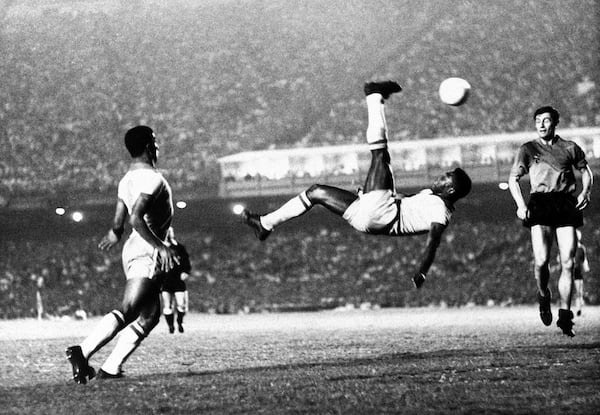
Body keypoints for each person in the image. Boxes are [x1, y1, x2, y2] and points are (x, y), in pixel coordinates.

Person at [241, 81, 472, 289]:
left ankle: (374, 96)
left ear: (450, 190)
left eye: (446, 177)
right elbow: (406, 204)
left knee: (381, 155)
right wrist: (368, 195)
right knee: (315, 192)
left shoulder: (441, 211)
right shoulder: (430, 198)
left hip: (382, 213)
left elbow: (433, 243)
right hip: (369, 217)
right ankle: (265, 223)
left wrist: (422, 270)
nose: (441, 177)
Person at [66, 125, 179, 383]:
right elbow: (135, 218)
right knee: (129, 310)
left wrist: (113, 235)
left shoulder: (125, 180)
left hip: (133, 248)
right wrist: (161, 246)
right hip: (147, 250)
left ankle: (111, 368)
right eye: (156, 142)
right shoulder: (153, 179)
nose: (158, 147)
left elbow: (119, 224)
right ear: (150, 146)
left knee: (150, 317)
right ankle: (81, 352)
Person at [508, 106, 593, 337]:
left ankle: (565, 315)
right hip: (540, 203)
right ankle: (543, 293)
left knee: (568, 262)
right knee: (542, 261)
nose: (541, 125)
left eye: (546, 120)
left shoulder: (569, 148)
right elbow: (513, 179)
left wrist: (585, 192)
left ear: (555, 122)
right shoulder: (528, 149)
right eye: (538, 121)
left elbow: (586, 172)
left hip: (565, 203)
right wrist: (521, 205)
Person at [159, 227, 191, 333]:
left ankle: (180, 322)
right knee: (167, 305)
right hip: (165, 280)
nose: (168, 234)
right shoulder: (160, 248)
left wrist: (186, 272)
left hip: (178, 279)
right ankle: (170, 326)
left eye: (170, 232)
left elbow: (186, 261)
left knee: (181, 304)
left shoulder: (179, 247)